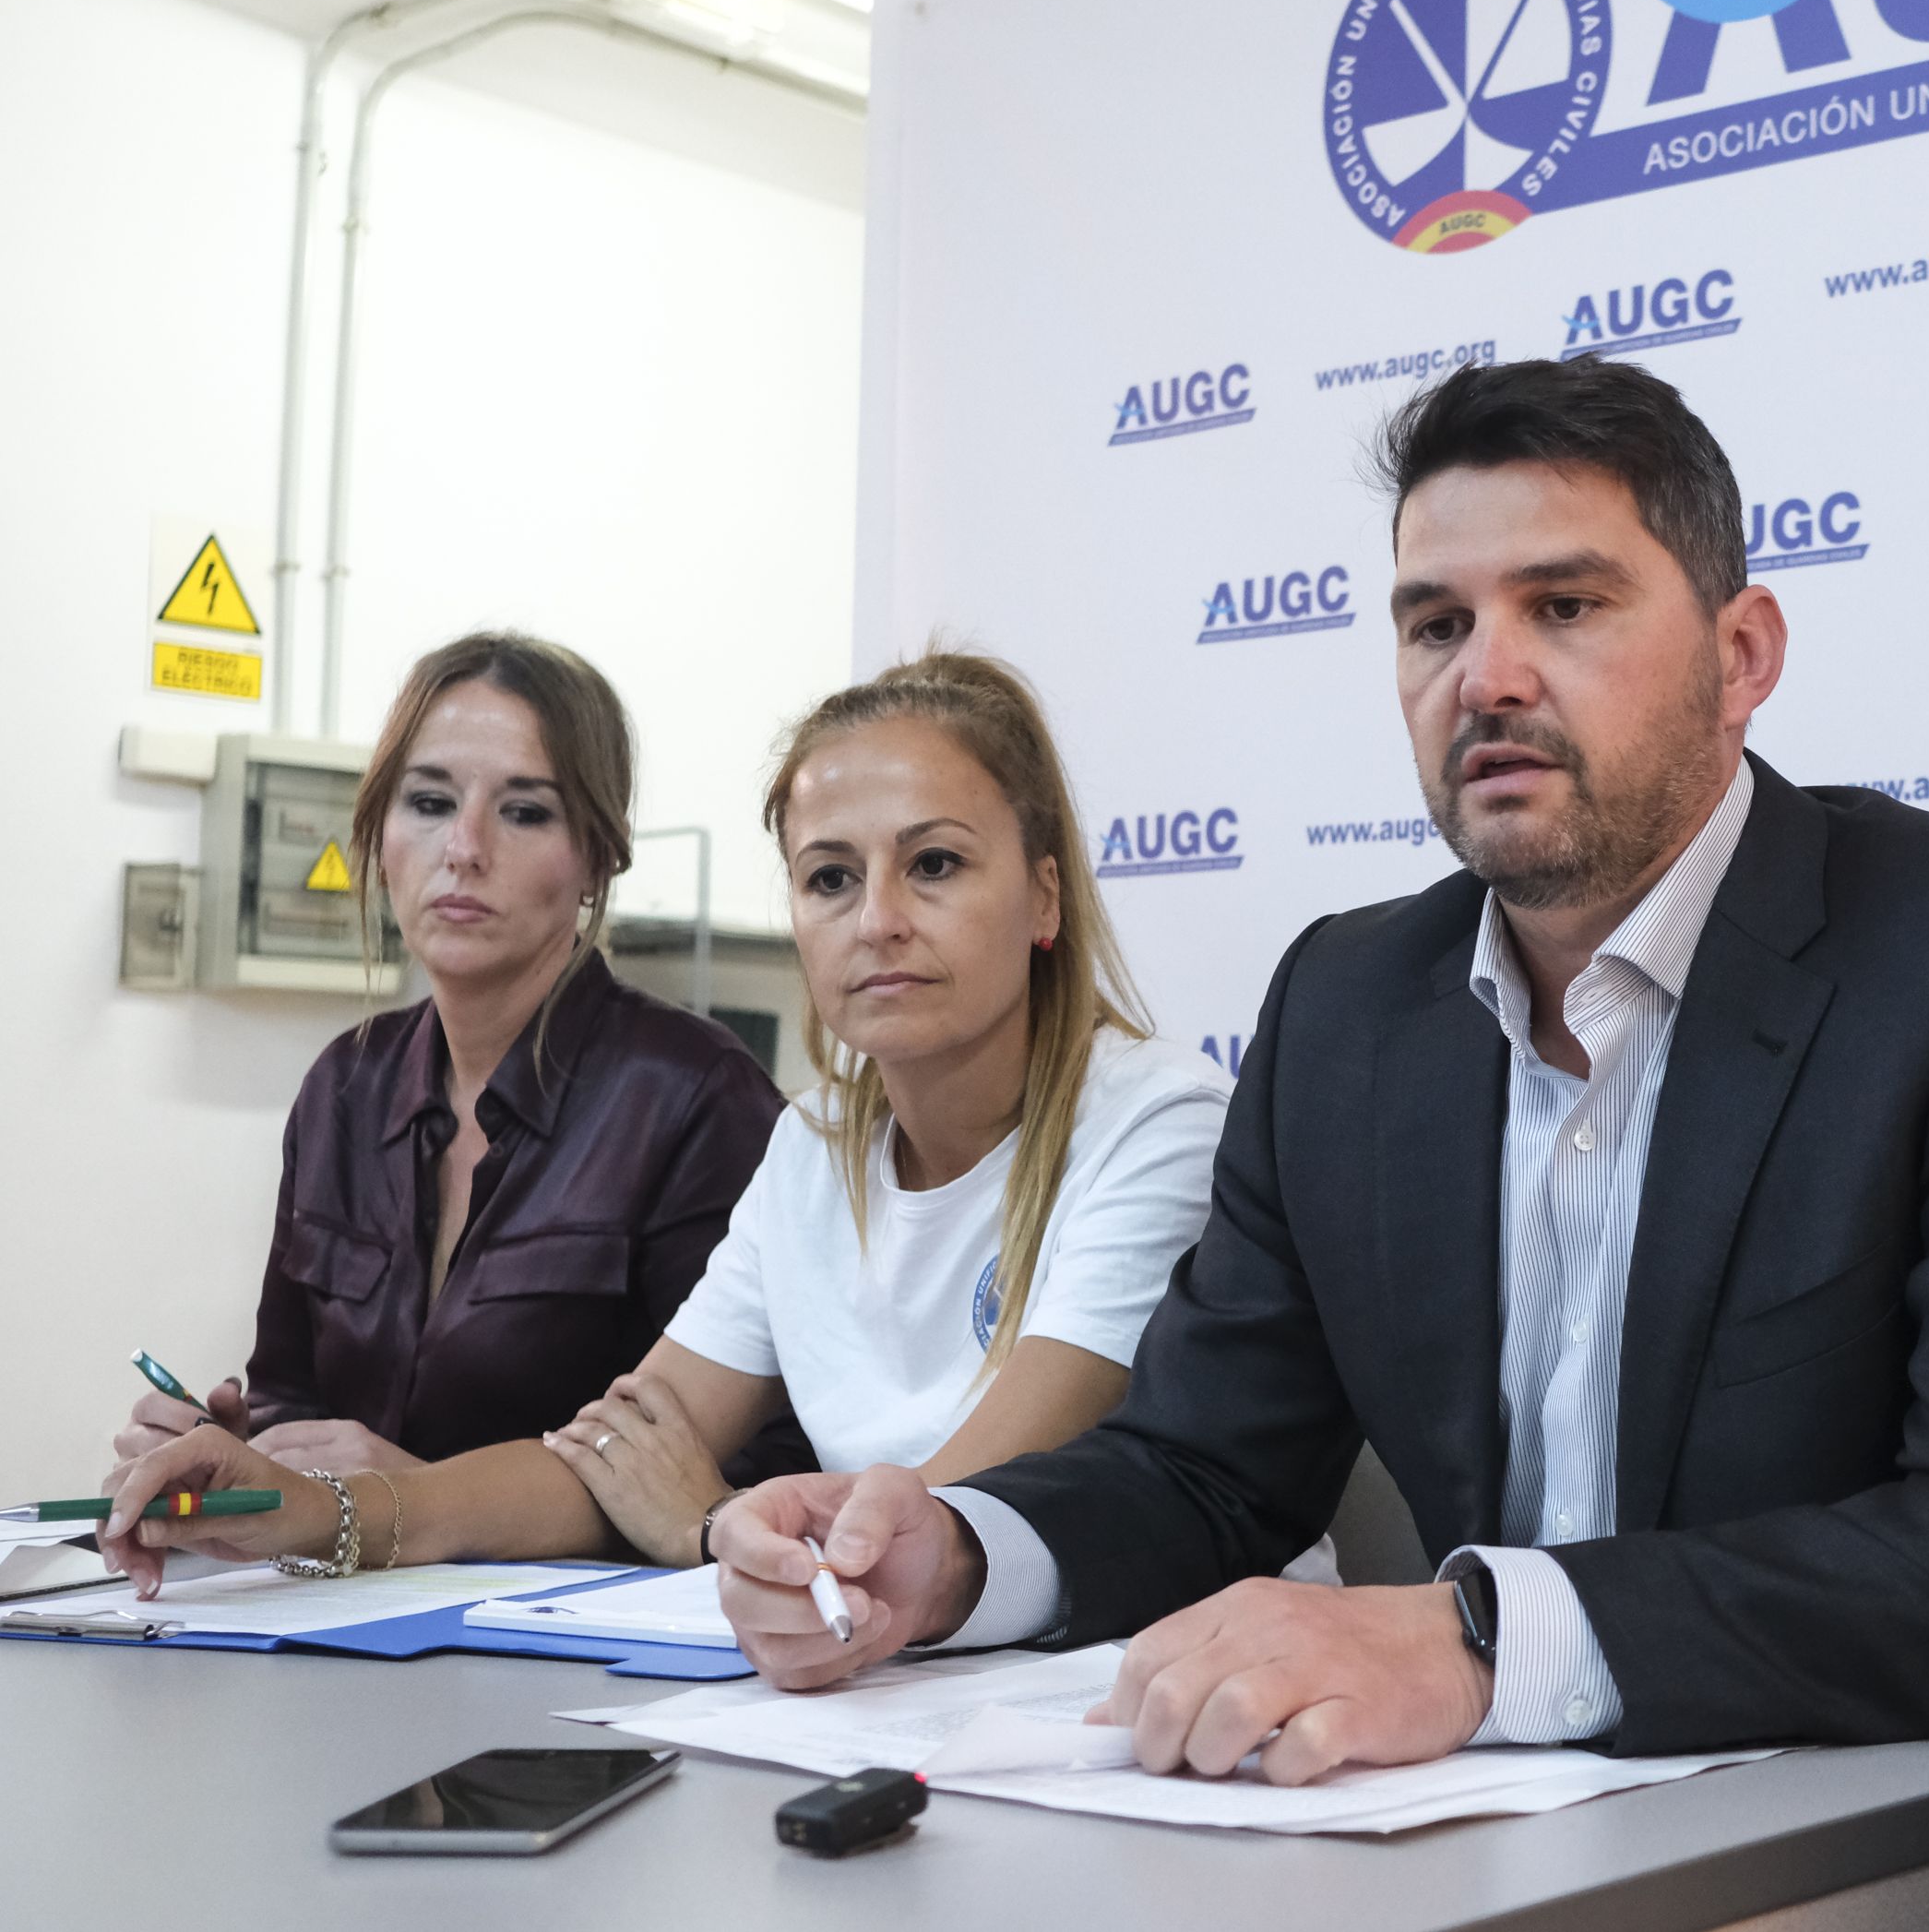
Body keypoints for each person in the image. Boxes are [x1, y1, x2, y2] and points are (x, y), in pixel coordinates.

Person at [708, 359, 1929, 1795]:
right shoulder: (1351, 1003)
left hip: (1882, 1837)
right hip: (1478, 1842)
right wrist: (955, 1555)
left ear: (1741, 654)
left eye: (1566, 605)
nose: (1486, 676)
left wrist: (1478, 1638)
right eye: (1433, 625)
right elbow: (1205, 1472)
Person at [103, 652, 1235, 1583]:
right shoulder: (815, 1145)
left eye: (933, 864)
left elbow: (935, 1521)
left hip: (1119, 1701)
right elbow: (610, 1449)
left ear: (1043, 894)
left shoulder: (1156, 1124)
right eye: (830, 878)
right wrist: (321, 1511)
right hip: (872, 1682)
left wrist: (706, 1523)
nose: (877, 921)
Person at [106, 631, 783, 1488]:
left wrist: (421, 1501)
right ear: (379, 834)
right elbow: (293, 1397)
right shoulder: (345, 1087)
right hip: (350, 1611)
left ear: (597, 856)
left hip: (576, 1619)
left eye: (524, 810)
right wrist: (234, 1454)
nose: (463, 847)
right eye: (428, 802)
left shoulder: (696, 1098)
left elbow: (755, 1464)